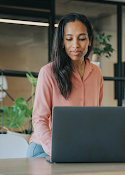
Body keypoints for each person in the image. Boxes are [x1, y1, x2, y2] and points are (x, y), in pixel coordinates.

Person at [26, 12, 104, 158]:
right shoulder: (48, 72)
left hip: (79, 148)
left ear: (90, 40)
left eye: (81, 38)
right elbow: (39, 120)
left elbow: (95, 117)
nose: (75, 45)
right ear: (62, 42)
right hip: (44, 149)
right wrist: (57, 151)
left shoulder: (96, 73)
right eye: (69, 39)